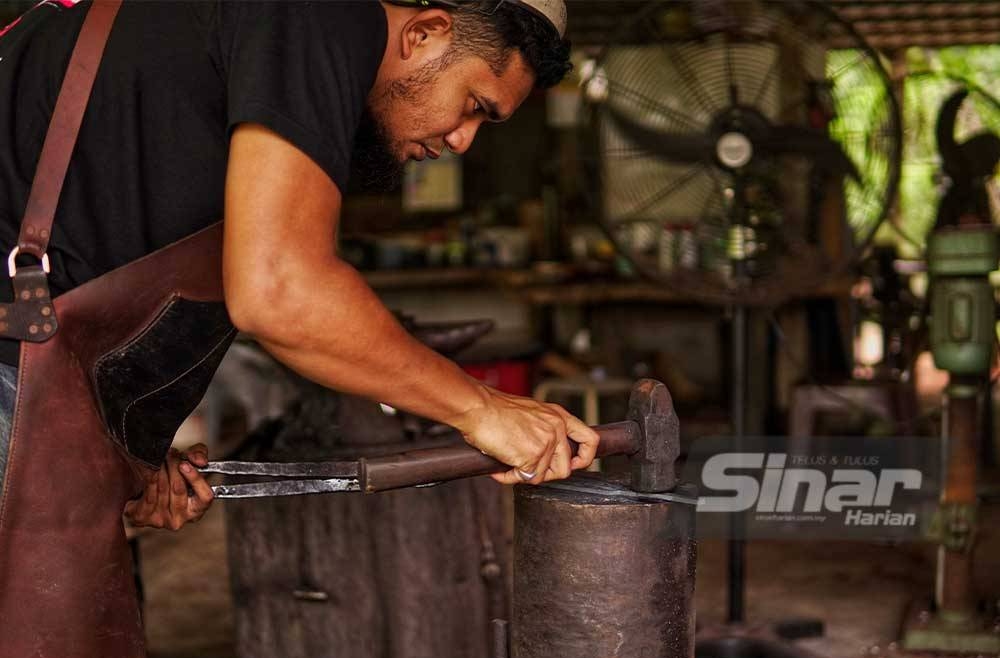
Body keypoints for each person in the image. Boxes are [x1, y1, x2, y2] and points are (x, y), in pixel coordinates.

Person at [0, 0, 598, 534]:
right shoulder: (320, 15)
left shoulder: (261, 50)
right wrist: (482, 409)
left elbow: (118, 212)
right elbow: (278, 292)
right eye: (474, 106)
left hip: (41, 386)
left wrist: (130, 449)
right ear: (426, 32)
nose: (464, 141)